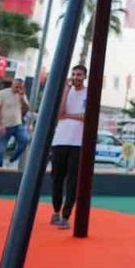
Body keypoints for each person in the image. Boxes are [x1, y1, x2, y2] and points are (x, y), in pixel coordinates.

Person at [50, 65, 88, 229]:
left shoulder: (88, 93)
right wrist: (66, 90)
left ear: (84, 77)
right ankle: (56, 211)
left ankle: (66, 215)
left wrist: (69, 116)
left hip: (78, 143)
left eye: (79, 74)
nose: (76, 77)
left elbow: (86, 116)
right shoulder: (66, 91)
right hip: (60, 141)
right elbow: (59, 113)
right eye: (73, 74)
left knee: (72, 181)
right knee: (57, 178)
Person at [0, 78, 31, 168]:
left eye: (20, 87)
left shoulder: (21, 95)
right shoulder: (2, 93)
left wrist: (22, 99)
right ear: (12, 84)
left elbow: (26, 109)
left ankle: (12, 160)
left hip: (17, 124)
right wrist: (0, 124)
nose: (17, 89)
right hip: (4, 125)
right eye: (16, 86)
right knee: (1, 149)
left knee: (25, 140)